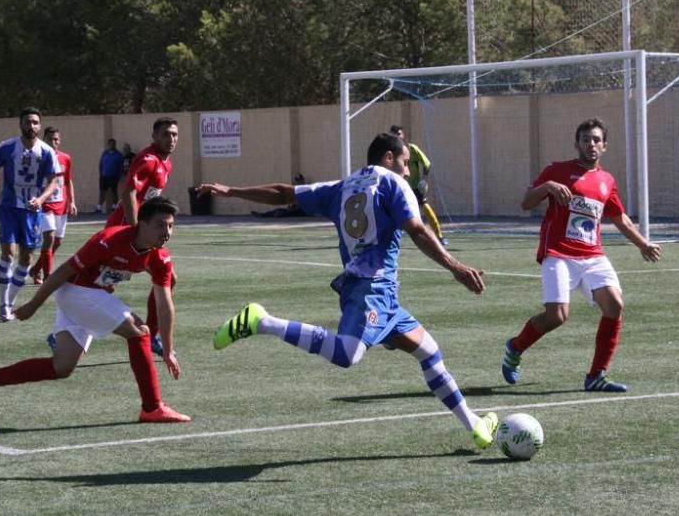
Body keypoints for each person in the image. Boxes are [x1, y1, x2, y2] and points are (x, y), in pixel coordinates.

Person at [196, 132, 498, 450]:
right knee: (347, 354)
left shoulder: (342, 187)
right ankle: (262, 321)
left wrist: (230, 190)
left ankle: (474, 423)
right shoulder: (394, 184)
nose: (408, 171)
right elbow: (418, 231)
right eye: (405, 162)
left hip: (376, 293)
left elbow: (283, 193)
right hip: (373, 289)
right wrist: (456, 267)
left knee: (429, 352)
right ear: (387, 157)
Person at [0, 196, 190, 424]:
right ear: (143, 224)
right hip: (77, 291)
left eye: (171, 226)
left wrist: (168, 349)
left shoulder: (160, 257)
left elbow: (164, 302)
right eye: (160, 225)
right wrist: (33, 304)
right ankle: (152, 407)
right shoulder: (108, 240)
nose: (167, 231)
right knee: (139, 330)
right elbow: (63, 272)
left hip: (86, 296)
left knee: (62, 366)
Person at [500, 117, 661, 393]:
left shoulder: (606, 180)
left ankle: (596, 375)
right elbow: (526, 203)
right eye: (586, 139)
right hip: (558, 253)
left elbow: (619, 217)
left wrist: (643, 244)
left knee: (615, 305)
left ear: (605, 146)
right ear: (577, 144)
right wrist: (547, 187)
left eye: (597, 140)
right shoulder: (557, 170)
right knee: (557, 316)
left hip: (593, 255)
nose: (591, 144)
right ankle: (515, 347)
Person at [101, 118, 178, 357]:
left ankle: (152, 335)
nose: (171, 139)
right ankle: (65, 333)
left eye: (175, 135)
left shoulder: (166, 162)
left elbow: (147, 198)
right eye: (165, 134)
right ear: (154, 136)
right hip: (123, 232)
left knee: (166, 278)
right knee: (100, 288)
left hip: (141, 235)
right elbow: (129, 191)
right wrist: (135, 230)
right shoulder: (147, 160)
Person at [0, 107, 61, 321]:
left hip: (32, 211)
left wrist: (41, 199)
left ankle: (10, 302)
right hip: (8, 207)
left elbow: (53, 181)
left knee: (26, 259)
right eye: (27, 122)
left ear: (39, 126)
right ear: (20, 124)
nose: (31, 126)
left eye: (35, 122)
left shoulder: (46, 152)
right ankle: (2, 304)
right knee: (8, 254)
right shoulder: (6, 147)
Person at [29, 127, 77, 285]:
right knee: (48, 238)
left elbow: (68, 181)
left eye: (56, 139)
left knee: (57, 242)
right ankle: (49, 276)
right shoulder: (37, 158)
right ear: (44, 140)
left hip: (61, 205)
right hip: (45, 205)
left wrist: (72, 201)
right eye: (50, 139)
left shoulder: (65, 158)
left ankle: (36, 269)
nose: (54, 142)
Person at [388, 125, 447, 245]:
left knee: (425, 207)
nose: (396, 136)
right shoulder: (389, 153)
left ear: (402, 135)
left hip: (414, 186)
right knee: (389, 211)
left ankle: (439, 236)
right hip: (398, 187)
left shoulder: (412, 149)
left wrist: (424, 179)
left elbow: (427, 164)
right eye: (394, 134)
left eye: (398, 133)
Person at [98, 138, 125, 214]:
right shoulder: (105, 153)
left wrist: (119, 175)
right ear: (108, 145)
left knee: (114, 192)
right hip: (104, 176)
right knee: (102, 192)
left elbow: (122, 167)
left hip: (114, 176)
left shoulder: (119, 155)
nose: (111, 145)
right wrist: (101, 173)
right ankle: (99, 208)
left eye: (113, 144)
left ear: (115, 145)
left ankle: (114, 207)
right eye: (110, 144)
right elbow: (101, 164)